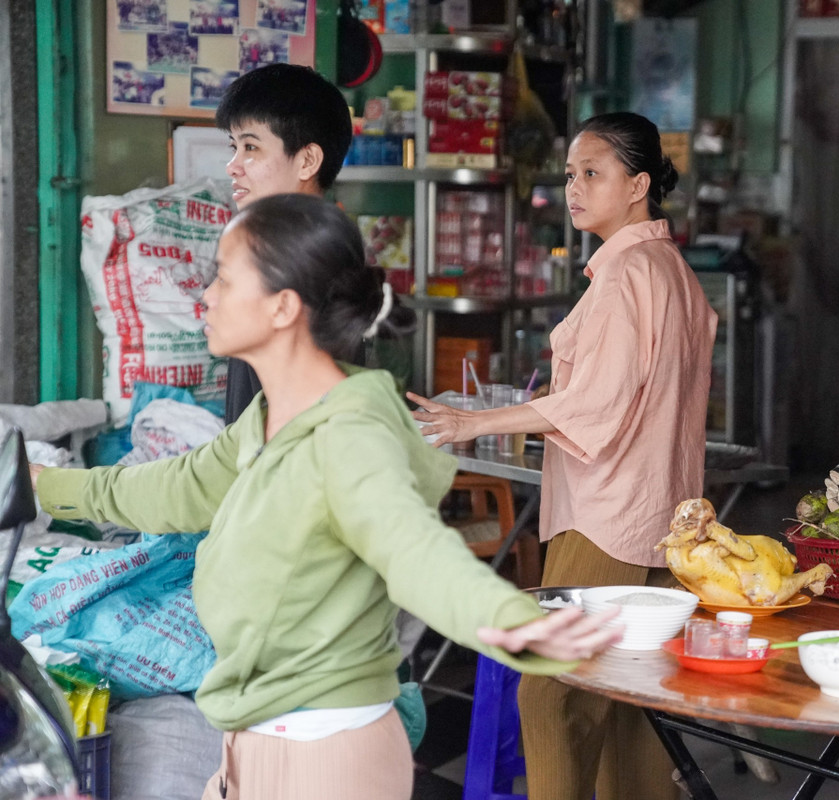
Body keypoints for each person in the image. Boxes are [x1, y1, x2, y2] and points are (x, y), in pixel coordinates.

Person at [30, 195, 621, 800]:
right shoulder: (270, 419)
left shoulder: (349, 436)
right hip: (259, 740)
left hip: (322, 758)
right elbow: (178, 487)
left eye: (225, 279)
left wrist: (511, 622)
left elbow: (414, 553)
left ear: (283, 307)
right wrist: (39, 487)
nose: (204, 296)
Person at [409, 111, 717, 800]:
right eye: (571, 174)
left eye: (592, 173)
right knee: (635, 699)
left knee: (552, 697)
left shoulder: (624, 276)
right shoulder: (671, 269)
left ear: (638, 184)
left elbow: (595, 407)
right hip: (665, 520)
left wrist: (472, 421)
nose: (573, 189)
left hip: (607, 516)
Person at [215, 63, 354, 424]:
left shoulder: (313, 265)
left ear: (307, 160)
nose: (233, 166)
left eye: (250, 147)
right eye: (234, 146)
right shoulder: (273, 248)